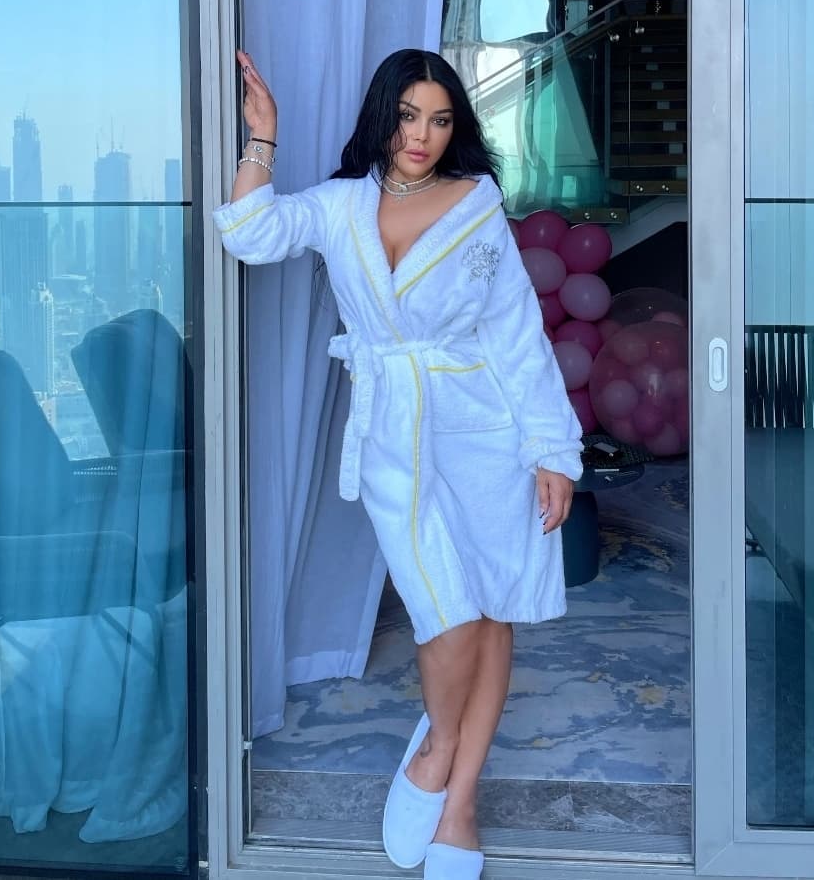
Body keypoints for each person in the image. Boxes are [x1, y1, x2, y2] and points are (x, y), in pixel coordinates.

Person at [214, 48, 583, 880]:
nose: (422, 135)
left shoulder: (475, 204)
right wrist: (263, 138)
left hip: (483, 430)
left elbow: (516, 333)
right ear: (384, 116)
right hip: (393, 434)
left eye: (440, 119)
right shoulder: (341, 206)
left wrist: (552, 450)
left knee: (491, 609)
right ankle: (439, 741)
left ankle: (461, 801)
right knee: (442, 612)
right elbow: (248, 232)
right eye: (410, 115)